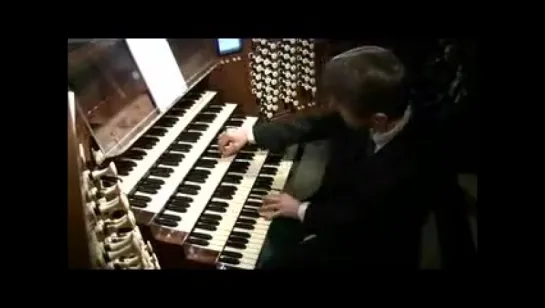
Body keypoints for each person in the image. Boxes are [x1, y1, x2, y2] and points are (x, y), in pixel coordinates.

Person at [218, 46, 441, 269]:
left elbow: (357, 219)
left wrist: (300, 210)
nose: (333, 106)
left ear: (378, 120)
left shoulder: (411, 164)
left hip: (367, 247)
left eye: (340, 105)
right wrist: (250, 135)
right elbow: (314, 125)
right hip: (338, 211)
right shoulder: (379, 108)